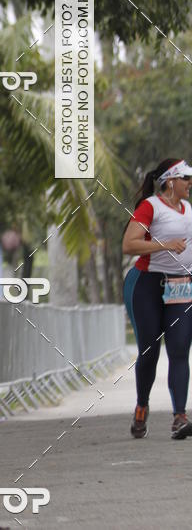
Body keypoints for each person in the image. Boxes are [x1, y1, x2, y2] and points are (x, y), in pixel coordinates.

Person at [122, 158, 192, 440]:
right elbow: (129, 244)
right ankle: (141, 407)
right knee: (150, 352)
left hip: (181, 288)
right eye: (185, 178)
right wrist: (164, 245)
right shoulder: (150, 206)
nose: (189, 183)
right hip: (147, 285)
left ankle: (179, 417)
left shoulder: (189, 210)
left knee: (179, 350)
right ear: (170, 181)